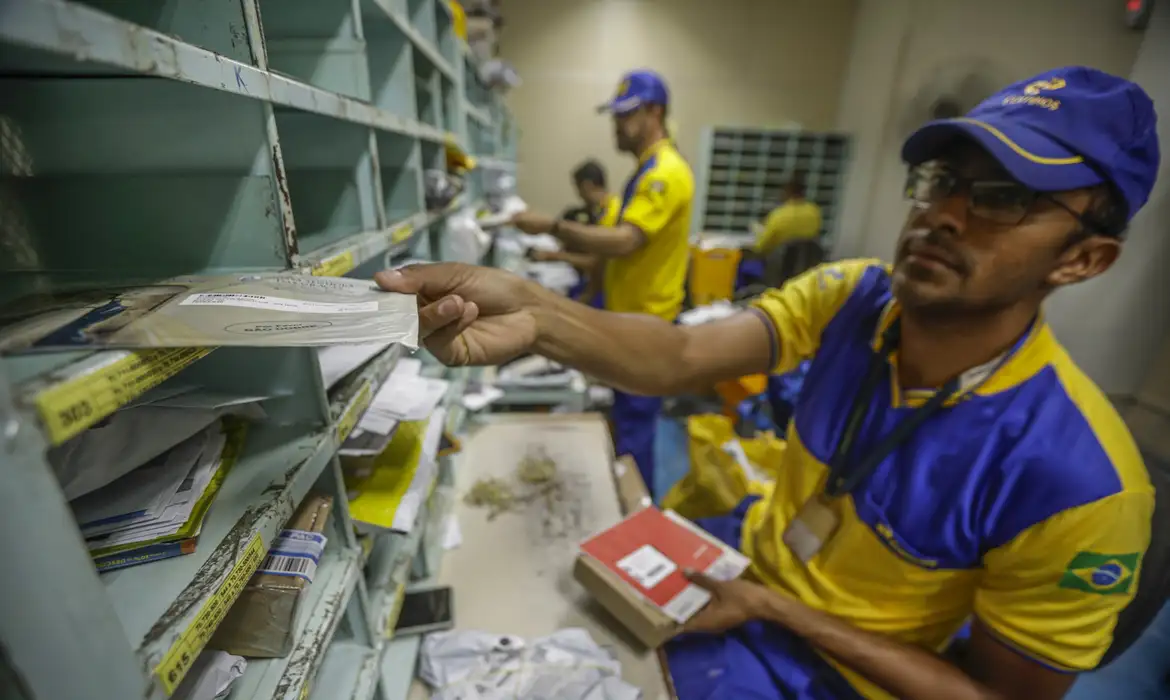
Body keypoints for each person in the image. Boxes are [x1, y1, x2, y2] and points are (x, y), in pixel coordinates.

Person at [376, 65, 1159, 700]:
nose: (943, 215)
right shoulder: (857, 297)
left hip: (843, 668)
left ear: (1082, 259)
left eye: (1003, 199)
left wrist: (776, 608)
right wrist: (539, 314)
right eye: (941, 179)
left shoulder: (1081, 481)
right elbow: (680, 359)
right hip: (748, 566)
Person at [509, 69, 695, 492]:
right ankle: (632, 504)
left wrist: (552, 227)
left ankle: (639, 519)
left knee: (636, 429)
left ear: (655, 112)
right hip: (630, 317)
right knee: (627, 420)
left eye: (625, 115)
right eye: (614, 116)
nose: (616, 125)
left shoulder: (666, 173)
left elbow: (626, 241)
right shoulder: (645, 170)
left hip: (648, 324)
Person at [532, 159, 620, 308]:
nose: (579, 195)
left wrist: (553, 256)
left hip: (607, 289)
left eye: (578, 189)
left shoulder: (610, 214)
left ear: (587, 186)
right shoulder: (603, 210)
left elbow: (596, 263)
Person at [755, 172, 824, 255]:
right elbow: (815, 234)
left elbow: (763, 245)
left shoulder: (779, 214)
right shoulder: (814, 210)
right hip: (808, 260)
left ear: (787, 193)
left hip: (780, 263)